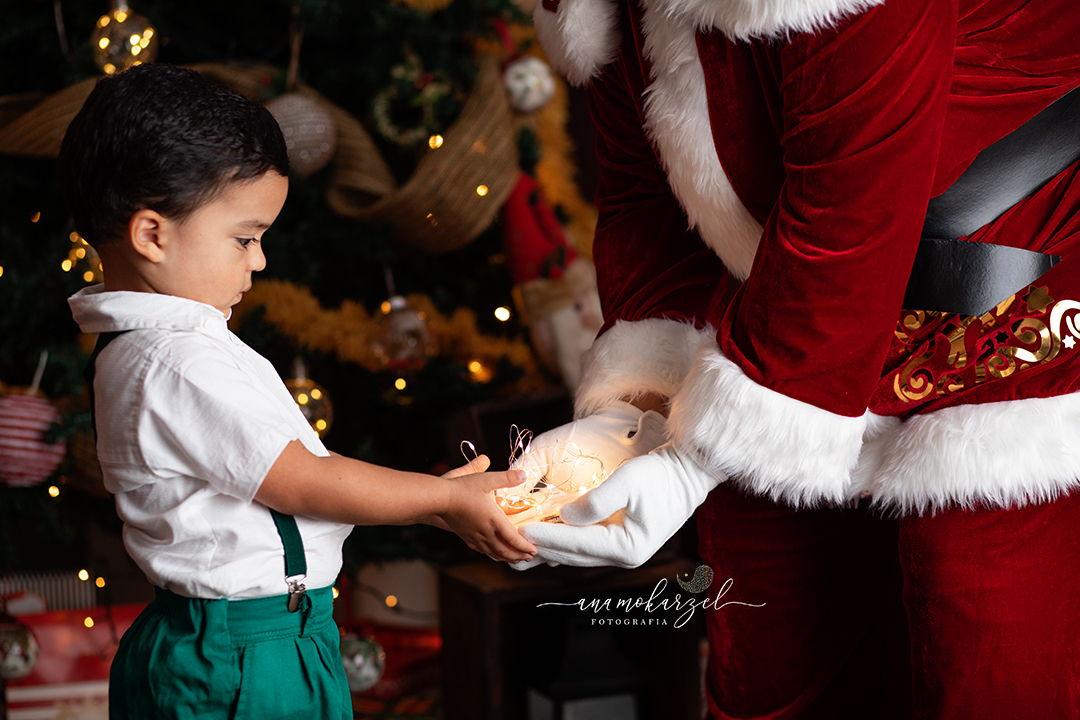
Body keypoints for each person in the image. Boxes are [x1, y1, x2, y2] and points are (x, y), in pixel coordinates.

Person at [516, 0, 1080, 717]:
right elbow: (642, 196)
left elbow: (851, 205)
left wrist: (695, 461)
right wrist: (636, 418)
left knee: (982, 639)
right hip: (783, 311)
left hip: (1018, 287)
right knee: (771, 641)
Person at [59, 63, 535, 719]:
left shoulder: (168, 343)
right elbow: (300, 481)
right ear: (152, 235)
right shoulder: (170, 362)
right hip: (241, 657)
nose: (258, 261)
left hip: (269, 637)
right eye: (244, 238)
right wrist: (443, 499)